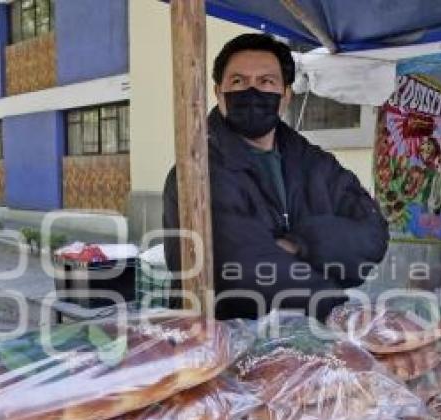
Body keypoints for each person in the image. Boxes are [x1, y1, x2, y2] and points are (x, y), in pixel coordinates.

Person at [163, 33, 388, 321]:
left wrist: (299, 244)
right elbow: (241, 270)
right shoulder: (197, 174)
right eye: (238, 82)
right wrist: (337, 309)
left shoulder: (315, 163)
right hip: (221, 345)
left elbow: (373, 234)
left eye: (266, 82)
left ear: (286, 96)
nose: (252, 92)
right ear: (219, 93)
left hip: (305, 340)